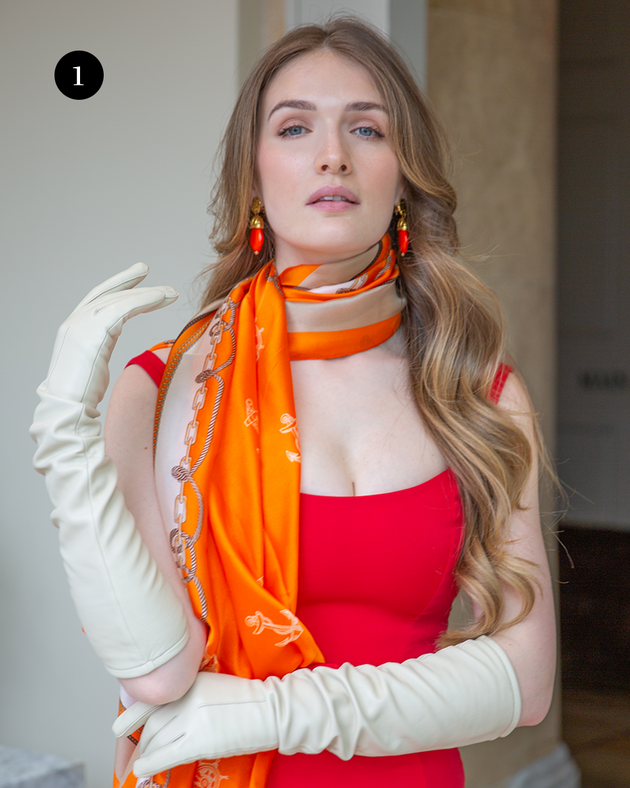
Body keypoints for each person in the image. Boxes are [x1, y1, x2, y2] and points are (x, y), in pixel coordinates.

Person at [30, 16, 556, 788]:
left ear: (403, 177)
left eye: (367, 129)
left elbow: (527, 680)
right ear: (253, 175)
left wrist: (273, 712)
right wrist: (63, 434)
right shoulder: (159, 388)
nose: (332, 153)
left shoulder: (478, 393)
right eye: (295, 126)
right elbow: (157, 672)